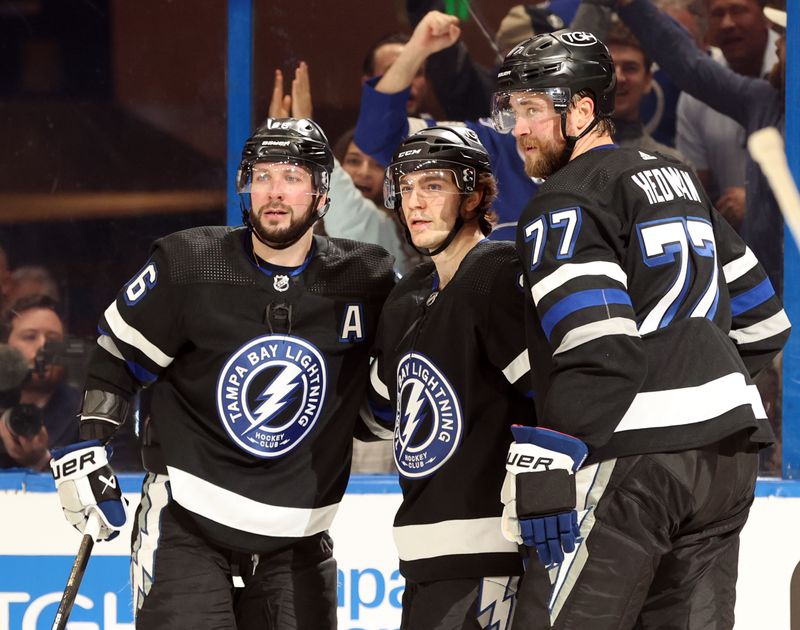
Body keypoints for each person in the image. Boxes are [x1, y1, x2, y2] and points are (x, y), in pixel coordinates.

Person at [490, 30, 790, 629]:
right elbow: (765, 321)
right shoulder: (679, 179)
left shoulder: (565, 199)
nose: (517, 128)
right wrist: (696, 375)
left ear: (581, 110)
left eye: (531, 109)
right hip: (727, 460)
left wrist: (549, 460)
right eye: (512, 110)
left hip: (633, 463)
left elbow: (600, 351)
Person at [49, 117, 396, 629]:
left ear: (323, 195)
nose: (274, 192)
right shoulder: (190, 263)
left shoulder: (365, 278)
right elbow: (117, 355)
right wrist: (90, 447)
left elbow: (379, 399)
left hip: (299, 536)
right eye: (262, 176)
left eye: (292, 177)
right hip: (188, 522)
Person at [367, 125, 545, 628]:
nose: (415, 203)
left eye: (433, 186)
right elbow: (385, 413)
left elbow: (553, 397)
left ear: (473, 196)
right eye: (405, 188)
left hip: (494, 556)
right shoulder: (407, 298)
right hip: (424, 559)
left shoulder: (497, 272)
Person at [613, 0, 787, 295]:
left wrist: (760, 198)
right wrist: (633, 6)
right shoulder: (764, 101)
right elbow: (691, 67)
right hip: (767, 296)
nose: (778, 45)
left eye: (785, 36)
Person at [355, 10, 541, 241]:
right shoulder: (487, 144)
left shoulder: (595, 156)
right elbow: (379, 137)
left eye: (537, 107)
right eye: (519, 105)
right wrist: (417, 49)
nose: (523, 124)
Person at [675, 0, 779, 231]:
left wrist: (756, 202)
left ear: (766, 17)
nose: (727, 24)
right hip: (732, 244)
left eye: (738, 10)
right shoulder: (696, 96)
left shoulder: (790, 75)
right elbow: (693, 190)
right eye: (717, 14)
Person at [0, 295, 80, 470]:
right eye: (29, 337)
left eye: (53, 340)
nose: (43, 347)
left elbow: (118, 483)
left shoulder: (91, 413)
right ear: (5, 345)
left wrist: (41, 461)